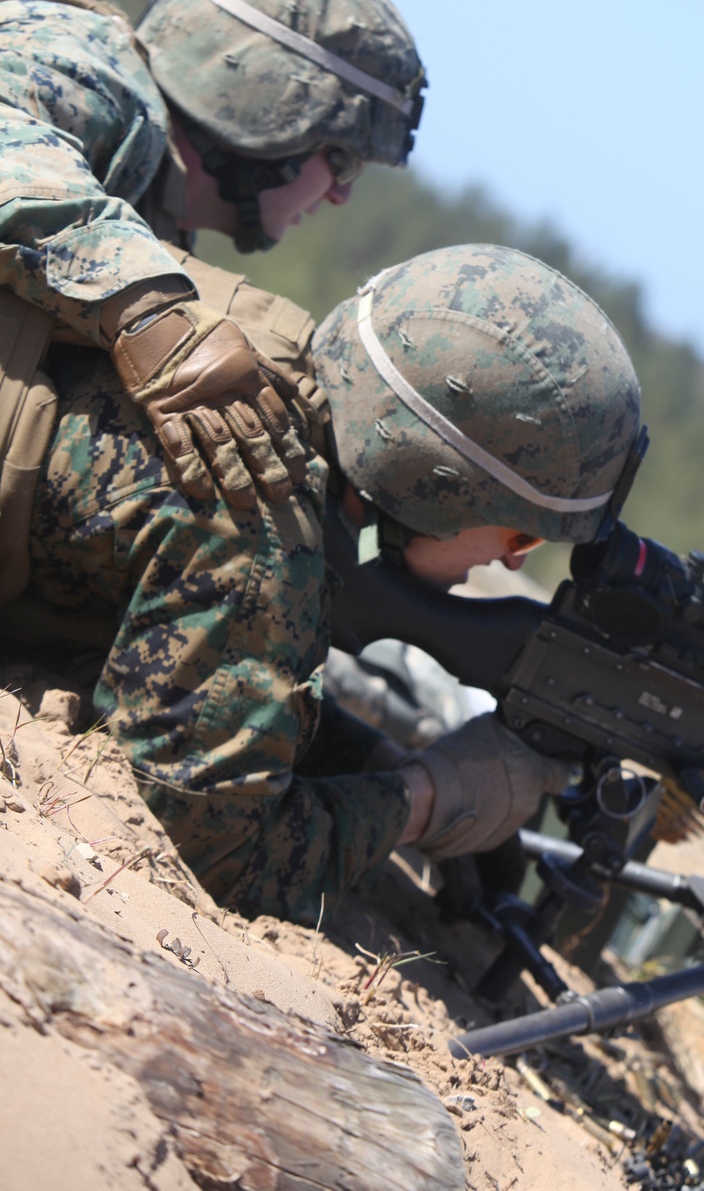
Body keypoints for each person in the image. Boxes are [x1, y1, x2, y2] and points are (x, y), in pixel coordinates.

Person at [11, 242, 645, 924]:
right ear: (437, 490)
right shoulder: (258, 518)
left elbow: (228, 669)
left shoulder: (268, 354)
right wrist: (433, 797)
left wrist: (372, 755)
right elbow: (206, 851)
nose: (514, 562)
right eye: (521, 535)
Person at [0, 0, 426, 526]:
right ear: (269, 113)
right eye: (344, 161)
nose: (339, 198)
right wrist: (149, 314)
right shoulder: (89, 71)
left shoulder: (149, 193)